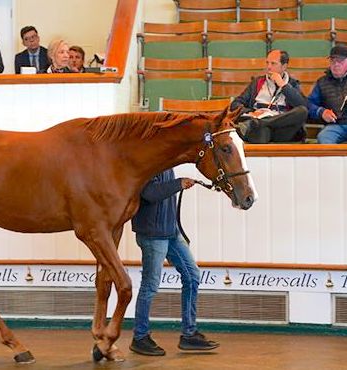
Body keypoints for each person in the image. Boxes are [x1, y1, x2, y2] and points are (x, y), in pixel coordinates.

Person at [130, 169, 219, 356]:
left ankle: (189, 334)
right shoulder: (148, 160)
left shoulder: (165, 162)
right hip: (153, 235)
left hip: (170, 232)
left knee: (193, 276)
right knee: (150, 285)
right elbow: (149, 193)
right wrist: (178, 184)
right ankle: (139, 337)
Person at [231, 49, 308, 144]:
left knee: (302, 111)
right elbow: (235, 104)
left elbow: (302, 105)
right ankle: (260, 123)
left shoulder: (292, 84)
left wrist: (283, 85)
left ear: (284, 66)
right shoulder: (257, 82)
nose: (269, 67)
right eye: (267, 63)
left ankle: (260, 123)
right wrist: (252, 113)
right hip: (260, 127)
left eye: (273, 63)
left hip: (281, 127)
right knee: (262, 132)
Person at [308, 45, 347, 144]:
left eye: (340, 61)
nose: (336, 64)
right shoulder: (322, 82)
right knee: (323, 137)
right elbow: (309, 104)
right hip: (335, 124)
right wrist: (321, 112)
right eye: (333, 61)